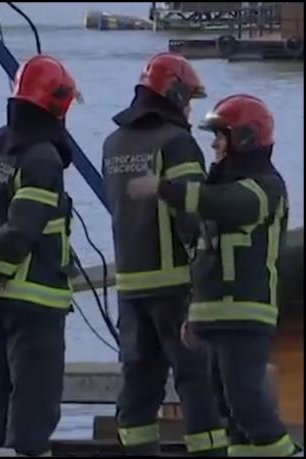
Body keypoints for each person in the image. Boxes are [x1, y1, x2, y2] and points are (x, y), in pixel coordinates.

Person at [129, 94, 302, 457]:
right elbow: (204, 257)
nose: (214, 145)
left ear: (245, 139)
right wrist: (193, 312)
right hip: (212, 317)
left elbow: (224, 205)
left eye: (221, 136)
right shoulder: (218, 185)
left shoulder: (265, 187)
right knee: (228, 413)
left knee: (247, 404)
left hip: (246, 315)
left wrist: (165, 188)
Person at [101, 52, 226, 455]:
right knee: (197, 381)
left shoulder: (113, 144)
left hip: (129, 286)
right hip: (176, 287)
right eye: (188, 99)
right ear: (173, 94)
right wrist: (208, 270)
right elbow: (192, 214)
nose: (189, 109)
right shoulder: (177, 142)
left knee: (138, 382)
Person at [0, 54, 80, 457]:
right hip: (37, 302)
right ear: (58, 105)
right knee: (34, 412)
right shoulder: (42, 158)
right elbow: (24, 229)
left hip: (1, 304)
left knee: (2, 401)